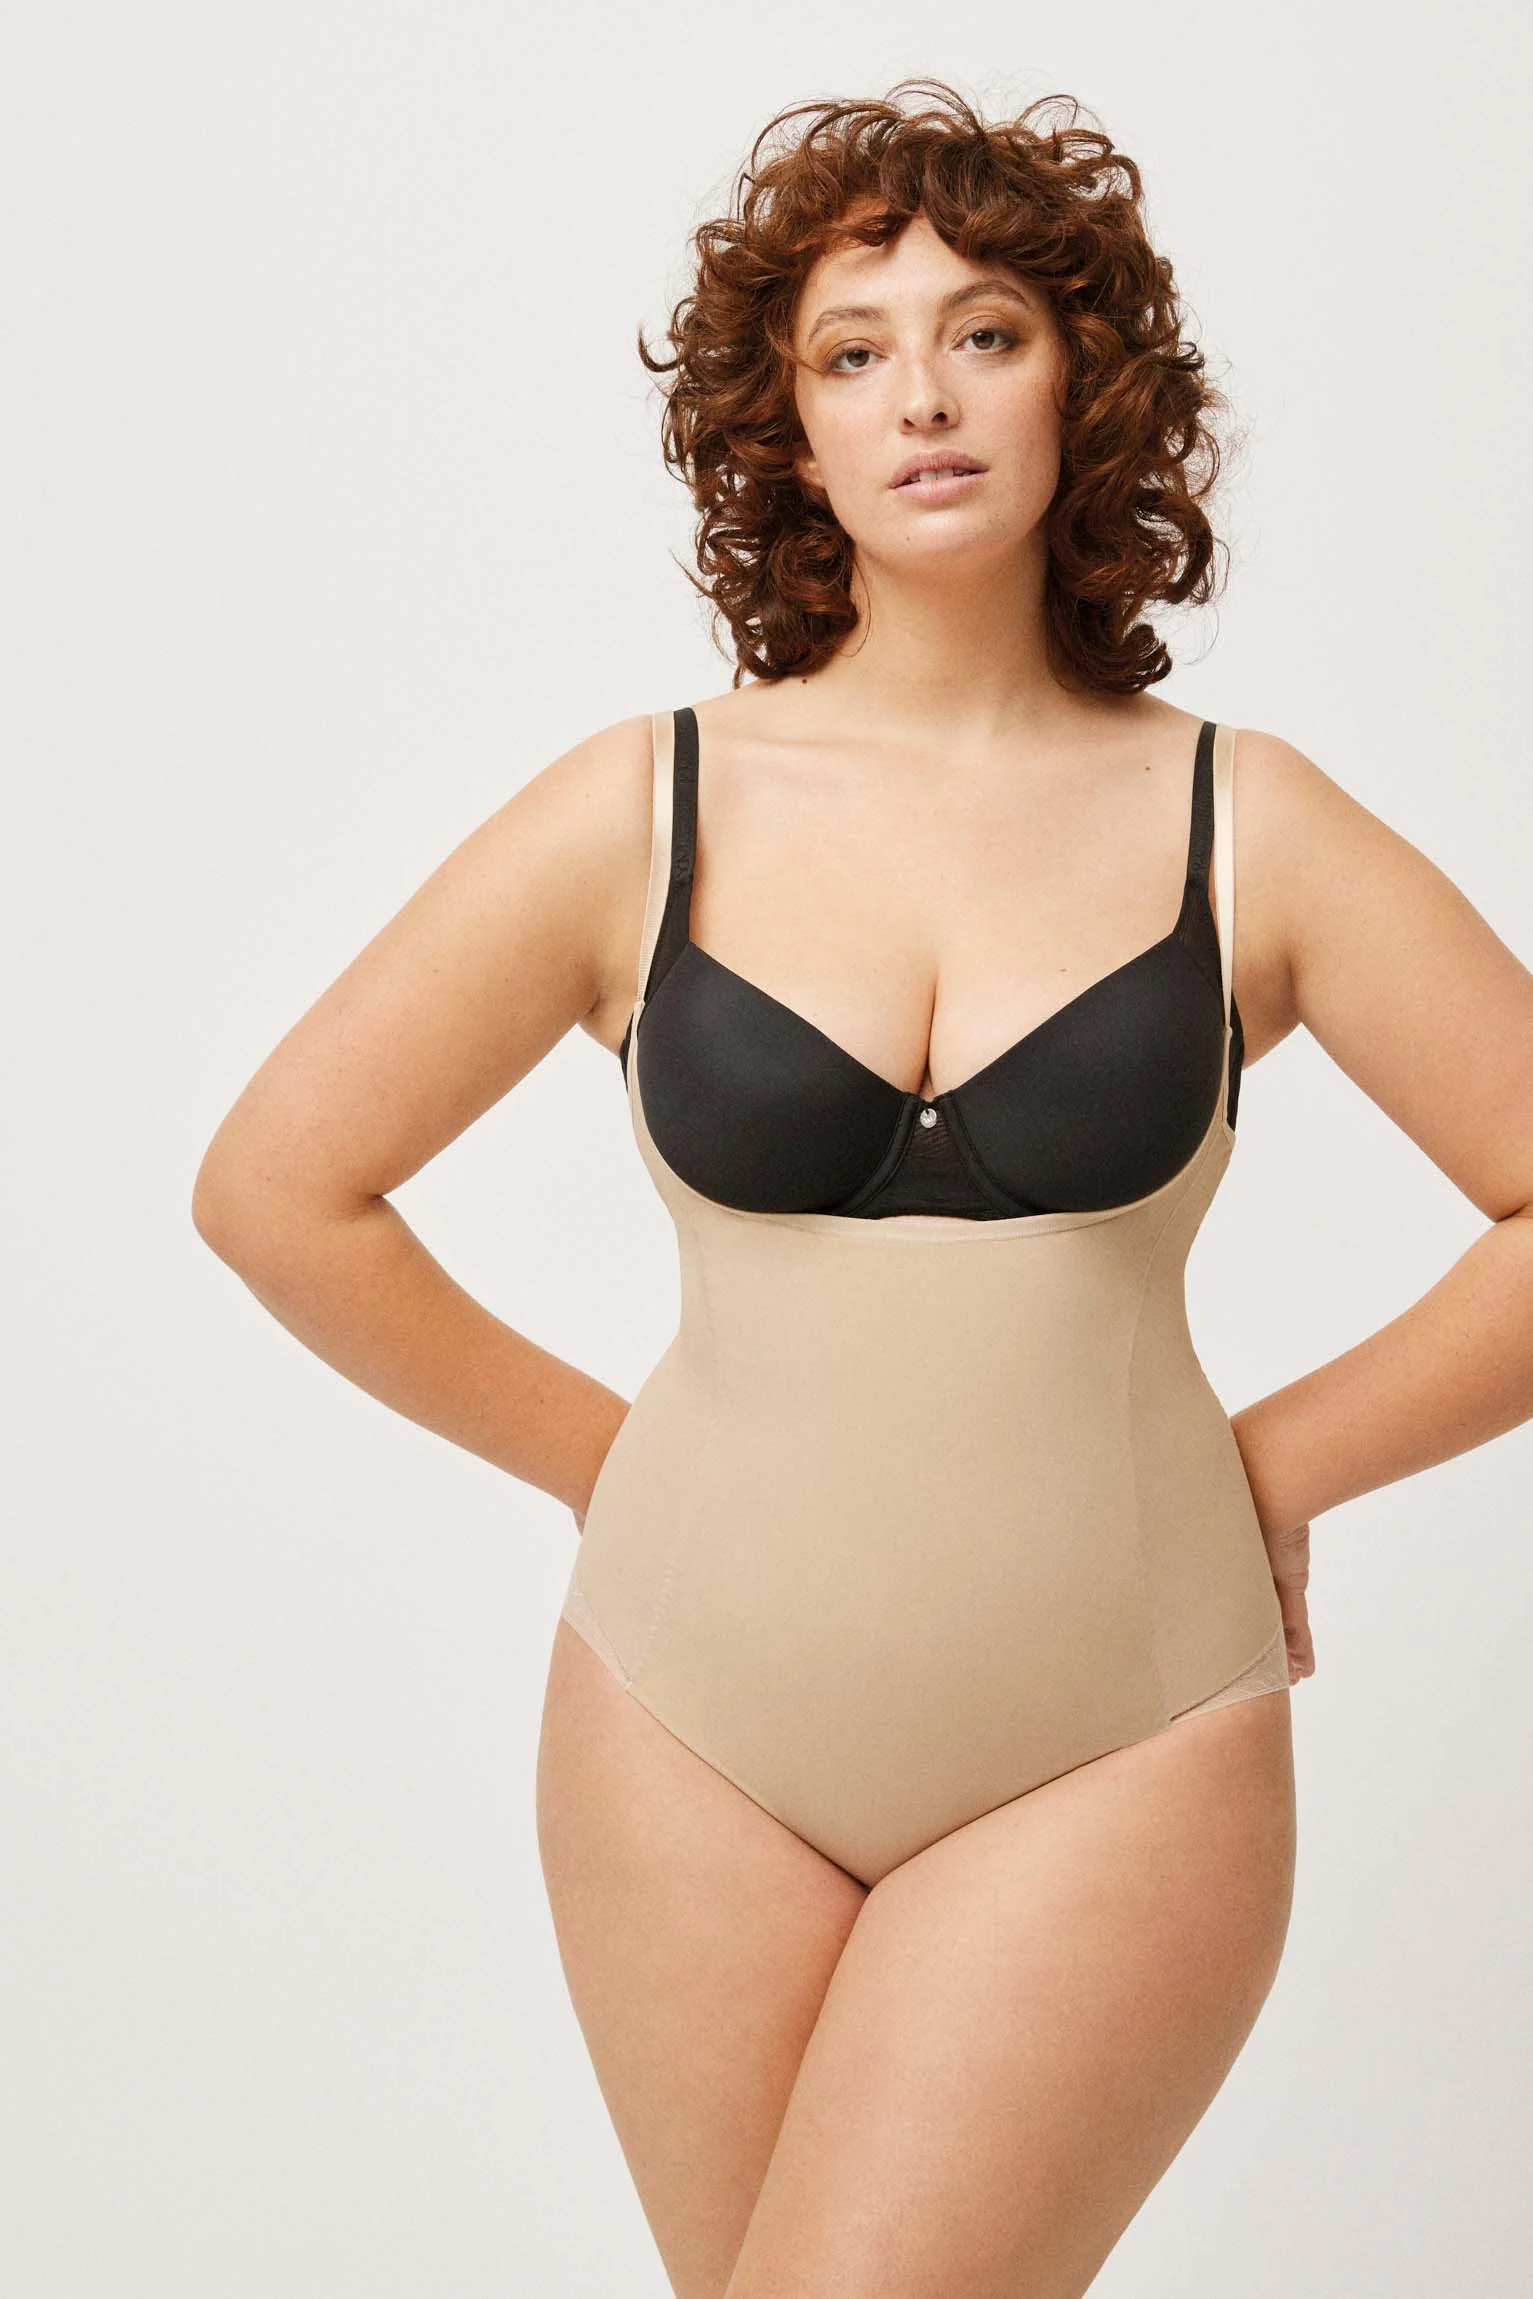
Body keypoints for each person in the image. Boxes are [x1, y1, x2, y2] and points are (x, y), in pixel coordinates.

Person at [192, 79, 1533, 2299]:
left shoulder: (1253, 825)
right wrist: (605, 1465)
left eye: (985, 332)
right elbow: (278, 1188)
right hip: (680, 1729)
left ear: (1087, 386)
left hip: (1118, 1736)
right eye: (851, 349)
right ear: (786, 432)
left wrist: (1281, 1464)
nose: (921, 394)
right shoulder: (638, 807)